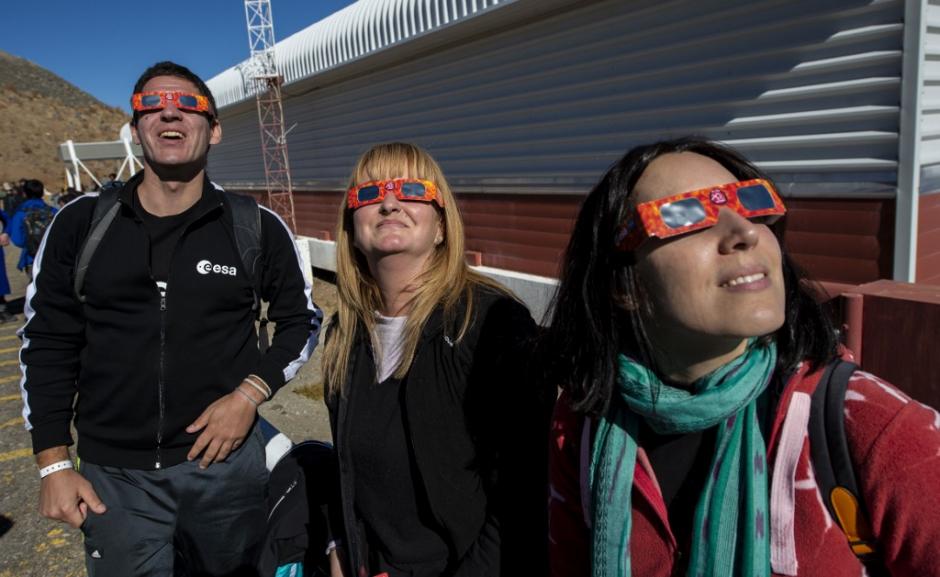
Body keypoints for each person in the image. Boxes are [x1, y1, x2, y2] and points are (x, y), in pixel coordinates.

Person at [543, 137, 940, 576]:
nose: (745, 233)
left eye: (752, 205)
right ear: (624, 286)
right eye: (686, 217)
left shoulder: (872, 425)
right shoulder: (582, 425)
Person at [20, 60, 323, 576]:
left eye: (187, 104)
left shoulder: (254, 226)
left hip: (226, 468)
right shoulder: (80, 223)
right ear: (135, 128)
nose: (169, 113)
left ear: (214, 129)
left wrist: (249, 394)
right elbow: (46, 340)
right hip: (115, 479)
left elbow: (303, 320)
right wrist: (53, 463)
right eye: (151, 106)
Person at [322, 142, 551, 577]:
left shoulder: (490, 324)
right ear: (351, 227)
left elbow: (526, 497)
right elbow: (348, 468)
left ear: (442, 226)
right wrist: (341, 544)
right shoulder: (343, 335)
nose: (389, 203)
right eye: (369, 193)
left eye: (411, 189)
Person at [9, 178, 56, 275]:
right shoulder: (54, 211)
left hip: (31, 258)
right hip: (53, 257)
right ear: (42, 193)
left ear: (25, 194)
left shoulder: (21, 213)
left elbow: (17, 240)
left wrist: (31, 243)